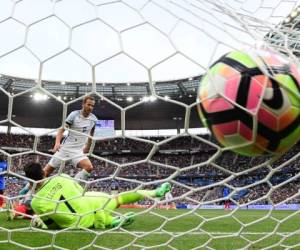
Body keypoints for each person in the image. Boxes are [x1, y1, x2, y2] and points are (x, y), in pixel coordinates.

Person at [24, 162, 171, 229]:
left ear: (29, 180)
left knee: (89, 218)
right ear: (44, 172)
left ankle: (111, 221)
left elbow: (51, 225)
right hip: (93, 204)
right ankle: (154, 192)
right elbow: (79, 192)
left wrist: (41, 224)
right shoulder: (61, 177)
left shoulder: (36, 203)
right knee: (118, 198)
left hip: (79, 224)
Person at [44, 95, 98, 180]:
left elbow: (91, 134)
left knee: (89, 167)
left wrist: (88, 147)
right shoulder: (74, 115)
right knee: (46, 172)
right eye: (88, 104)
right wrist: (57, 143)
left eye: (92, 106)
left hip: (77, 152)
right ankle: (27, 189)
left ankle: (74, 185)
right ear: (83, 104)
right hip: (65, 149)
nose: (90, 107)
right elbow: (61, 130)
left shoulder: (94, 119)